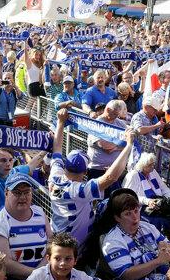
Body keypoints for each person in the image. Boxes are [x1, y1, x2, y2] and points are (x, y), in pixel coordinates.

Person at [50, 108, 135, 251]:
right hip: (73, 246)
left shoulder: (55, 175)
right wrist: (128, 145)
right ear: (84, 172)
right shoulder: (79, 191)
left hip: (60, 235)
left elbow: (57, 150)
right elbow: (110, 177)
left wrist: (60, 122)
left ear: (65, 166)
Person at [0, 169, 53, 280]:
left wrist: (41, 272)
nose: (23, 197)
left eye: (27, 192)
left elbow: (51, 242)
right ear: (6, 193)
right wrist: (38, 274)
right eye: (17, 192)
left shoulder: (39, 212)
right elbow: (5, 264)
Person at [102, 191, 170, 280]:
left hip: (167, 277)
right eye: (128, 214)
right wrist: (158, 261)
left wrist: (165, 248)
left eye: (136, 211)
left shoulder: (147, 227)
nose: (135, 217)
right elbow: (126, 275)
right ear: (117, 218)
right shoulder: (113, 241)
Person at [122, 152, 170, 239]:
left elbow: (164, 188)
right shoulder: (133, 175)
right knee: (160, 221)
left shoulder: (153, 172)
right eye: (150, 165)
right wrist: (147, 201)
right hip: (142, 208)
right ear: (142, 165)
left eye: (153, 164)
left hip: (158, 205)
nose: (153, 167)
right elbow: (129, 196)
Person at [20, 232, 104, 280]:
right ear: (48, 259)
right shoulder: (38, 276)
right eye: (57, 258)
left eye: (68, 259)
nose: (63, 263)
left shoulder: (80, 277)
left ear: (75, 260)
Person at [86, 100, 128, 181]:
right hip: (97, 169)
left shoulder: (120, 123)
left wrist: (116, 148)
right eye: (115, 114)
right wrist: (121, 144)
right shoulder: (96, 124)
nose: (116, 117)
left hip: (115, 169)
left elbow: (130, 142)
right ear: (108, 110)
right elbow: (105, 145)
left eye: (118, 114)